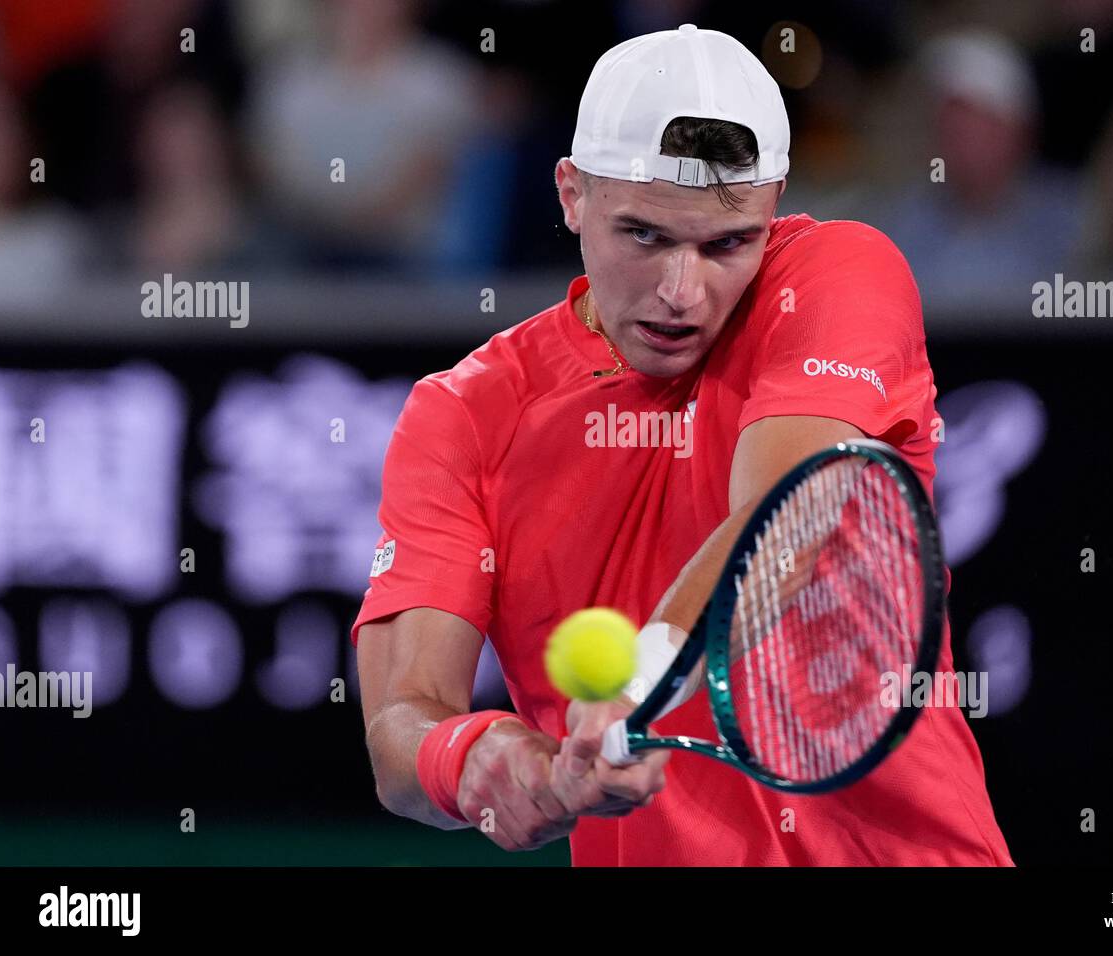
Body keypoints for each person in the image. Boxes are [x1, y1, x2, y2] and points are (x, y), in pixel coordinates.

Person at [354, 24, 1013, 866]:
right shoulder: (464, 413)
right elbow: (402, 724)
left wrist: (638, 684)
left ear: (773, 207)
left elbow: (784, 521)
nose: (681, 293)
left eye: (725, 244)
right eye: (645, 236)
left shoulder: (843, 276)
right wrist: (478, 760)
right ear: (570, 194)